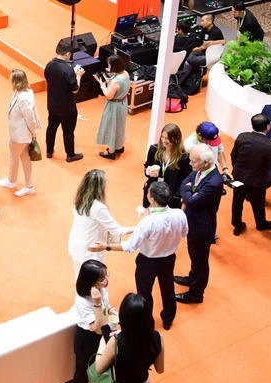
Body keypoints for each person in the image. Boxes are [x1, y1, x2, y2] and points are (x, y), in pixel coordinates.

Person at [96, 182, 188, 332]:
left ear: (152, 200)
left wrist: (106, 246)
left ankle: (148, 324)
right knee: (168, 289)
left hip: (148, 262)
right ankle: (168, 319)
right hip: (169, 259)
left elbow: (130, 246)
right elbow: (184, 233)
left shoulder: (148, 222)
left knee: (144, 293)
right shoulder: (180, 214)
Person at [174, 144, 224, 304]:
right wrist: (188, 190)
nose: (190, 164)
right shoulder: (200, 170)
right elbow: (184, 182)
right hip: (193, 222)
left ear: (206, 163)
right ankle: (192, 277)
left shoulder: (214, 182)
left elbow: (192, 201)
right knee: (194, 256)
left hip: (201, 227)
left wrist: (188, 192)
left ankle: (196, 293)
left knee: (200, 261)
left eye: (193, 162)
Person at [70, 259, 113, 383]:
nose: (106, 280)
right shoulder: (83, 301)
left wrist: (111, 309)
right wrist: (96, 304)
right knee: (82, 371)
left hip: (101, 331)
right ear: (91, 282)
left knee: (94, 368)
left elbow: (106, 306)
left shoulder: (100, 288)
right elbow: (96, 328)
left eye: (106, 274)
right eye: (102, 278)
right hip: (87, 337)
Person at [68, 169, 130, 276]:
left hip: (76, 247)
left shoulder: (80, 200)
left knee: (80, 280)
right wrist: (139, 227)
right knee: (96, 285)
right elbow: (117, 230)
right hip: (90, 252)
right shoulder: (98, 208)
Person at [0, 68, 41, 198]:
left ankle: (11, 181)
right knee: (25, 159)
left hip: (21, 135)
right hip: (21, 134)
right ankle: (28, 186)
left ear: (16, 81)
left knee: (14, 158)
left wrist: (34, 132)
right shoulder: (24, 92)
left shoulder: (23, 98)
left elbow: (30, 117)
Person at [45, 38, 85, 162]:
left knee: (51, 128)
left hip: (52, 105)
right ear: (67, 54)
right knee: (68, 131)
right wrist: (78, 75)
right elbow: (75, 90)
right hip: (67, 108)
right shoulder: (68, 70)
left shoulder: (49, 65)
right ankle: (70, 154)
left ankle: (49, 150)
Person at [142, 123, 191, 208]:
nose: (164, 141)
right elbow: (147, 168)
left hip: (171, 199)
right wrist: (149, 172)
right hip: (153, 194)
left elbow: (186, 179)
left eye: (168, 138)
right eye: (162, 137)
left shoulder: (184, 157)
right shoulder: (154, 149)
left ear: (176, 139)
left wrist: (177, 196)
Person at [95, 54, 131, 160]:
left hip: (114, 106)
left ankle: (111, 151)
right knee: (119, 126)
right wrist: (107, 81)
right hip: (122, 103)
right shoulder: (125, 74)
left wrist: (102, 85)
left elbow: (109, 96)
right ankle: (119, 146)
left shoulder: (116, 81)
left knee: (111, 127)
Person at [178, 12, 225, 87]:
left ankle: (179, 82)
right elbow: (199, 40)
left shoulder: (216, 32)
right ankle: (181, 82)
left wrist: (189, 50)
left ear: (210, 21)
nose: (201, 22)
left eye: (203, 21)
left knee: (188, 58)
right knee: (188, 60)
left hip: (210, 56)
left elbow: (204, 46)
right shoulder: (204, 29)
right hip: (202, 53)